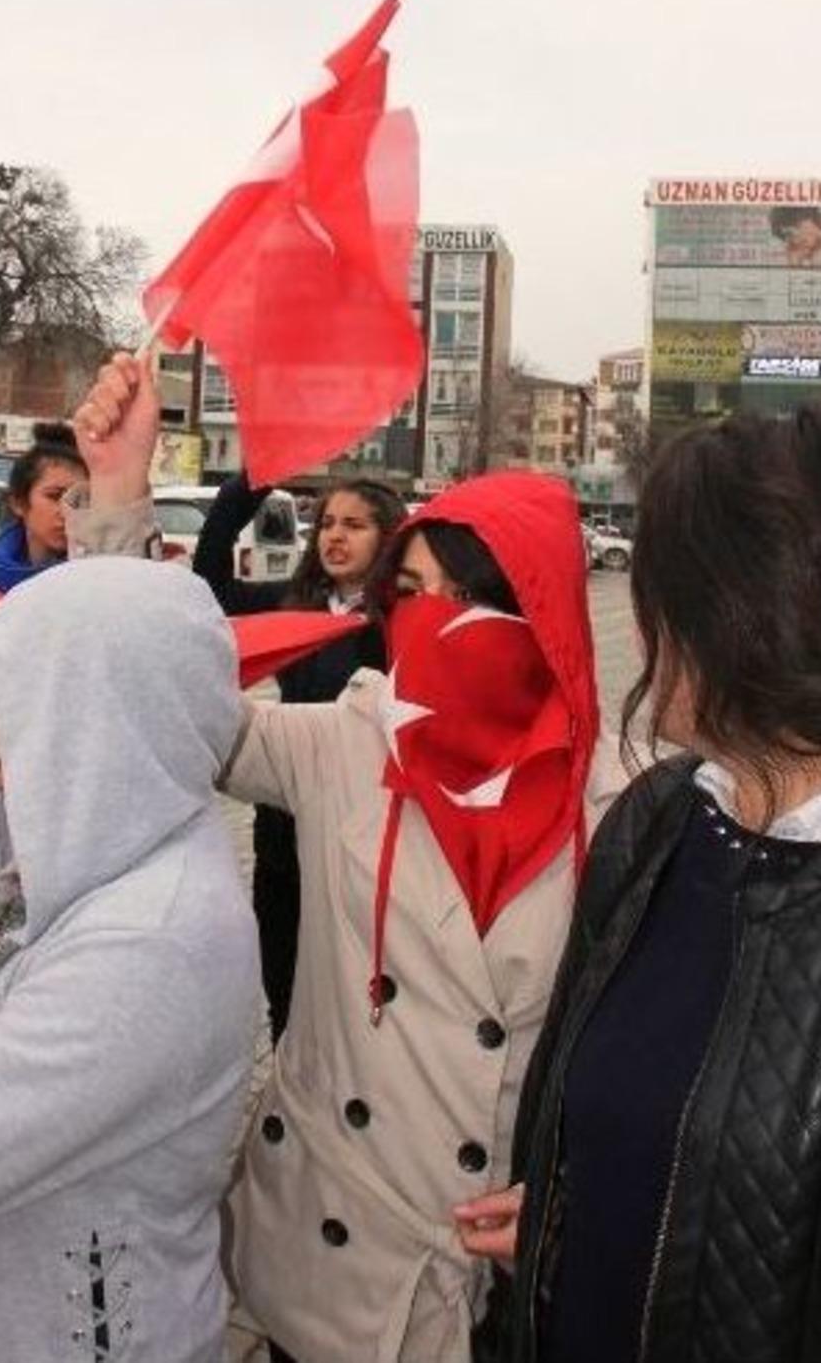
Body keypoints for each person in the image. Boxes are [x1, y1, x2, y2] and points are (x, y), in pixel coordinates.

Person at [71, 356, 623, 1363]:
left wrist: (581, 1192)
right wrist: (116, 491)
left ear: (539, 614)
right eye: (409, 591)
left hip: (509, 1275)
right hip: (336, 1253)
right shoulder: (345, 743)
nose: (433, 623)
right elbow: (167, 702)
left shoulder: (626, 804)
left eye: (467, 596)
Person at [460, 403, 821, 1363]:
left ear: (752, 615)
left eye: (664, 595)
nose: (645, 634)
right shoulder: (659, 821)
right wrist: (576, 1226)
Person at [0, 557, 261, 1363]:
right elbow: (12, 963)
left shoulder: (152, 941)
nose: (4, 733)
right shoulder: (121, 835)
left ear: (92, 719)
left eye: (24, 704)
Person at [193, 471, 404, 1038]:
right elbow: (208, 581)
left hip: (360, 832)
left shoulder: (401, 623)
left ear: (388, 539)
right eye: (328, 523)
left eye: (354, 526)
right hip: (283, 830)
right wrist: (253, 481)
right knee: (284, 985)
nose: (335, 537)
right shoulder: (294, 604)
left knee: (353, 998)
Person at [0, 420, 87, 590]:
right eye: (54, 496)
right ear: (18, 503)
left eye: (80, 499)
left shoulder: (93, 575)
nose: (67, 511)